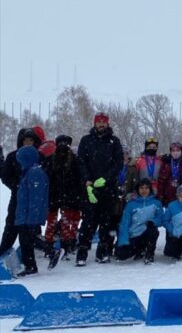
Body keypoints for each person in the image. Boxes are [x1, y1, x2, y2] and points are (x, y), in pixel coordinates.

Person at [76, 112, 124, 266]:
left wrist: (106, 178)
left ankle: (103, 251)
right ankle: (82, 252)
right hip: (90, 189)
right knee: (88, 222)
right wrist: (87, 181)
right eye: (99, 122)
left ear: (108, 123)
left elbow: (118, 163)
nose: (101, 124)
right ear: (94, 123)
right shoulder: (86, 140)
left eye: (104, 122)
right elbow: (81, 162)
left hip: (108, 188)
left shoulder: (114, 141)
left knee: (106, 222)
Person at [44, 135, 85, 266]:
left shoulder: (75, 160)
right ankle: (49, 245)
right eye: (60, 143)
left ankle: (68, 245)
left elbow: (80, 179)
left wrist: (79, 194)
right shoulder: (50, 160)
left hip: (71, 195)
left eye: (66, 143)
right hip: (54, 195)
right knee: (52, 221)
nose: (63, 146)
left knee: (70, 222)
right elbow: (47, 178)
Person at [0, 129, 42, 259]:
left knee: (27, 231)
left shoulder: (39, 156)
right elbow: (5, 176)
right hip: (17, 197)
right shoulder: (13, 156)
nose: (28, 142)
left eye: (31, 140)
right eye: (25, 140)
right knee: (11, 227)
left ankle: (30, 259)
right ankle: (3, 252)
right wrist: (17, 186)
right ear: (21, 141)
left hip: (33, 199)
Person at [13, 145, 49, 277]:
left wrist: (32, 217)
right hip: (24, 214)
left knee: (28, 239)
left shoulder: (34, 173)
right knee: (26, 240)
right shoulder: (29, 172)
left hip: (28, 215)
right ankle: (31, 265)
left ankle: (51, 252)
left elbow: (36, 198)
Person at [115, 178, 163, 264]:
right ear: (137, 189)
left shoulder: (156, 203)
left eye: (146, 188)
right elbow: (124, 223)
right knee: (121, 255)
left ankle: (149, 254)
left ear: (150, 189)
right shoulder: (131, 204)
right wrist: (124, 241)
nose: (144, 190)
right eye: (141, 188)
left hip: (147, 232)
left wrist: (153, 222)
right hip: (133, 234)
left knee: (153, 231)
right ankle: (139, 250)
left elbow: (160, 218)